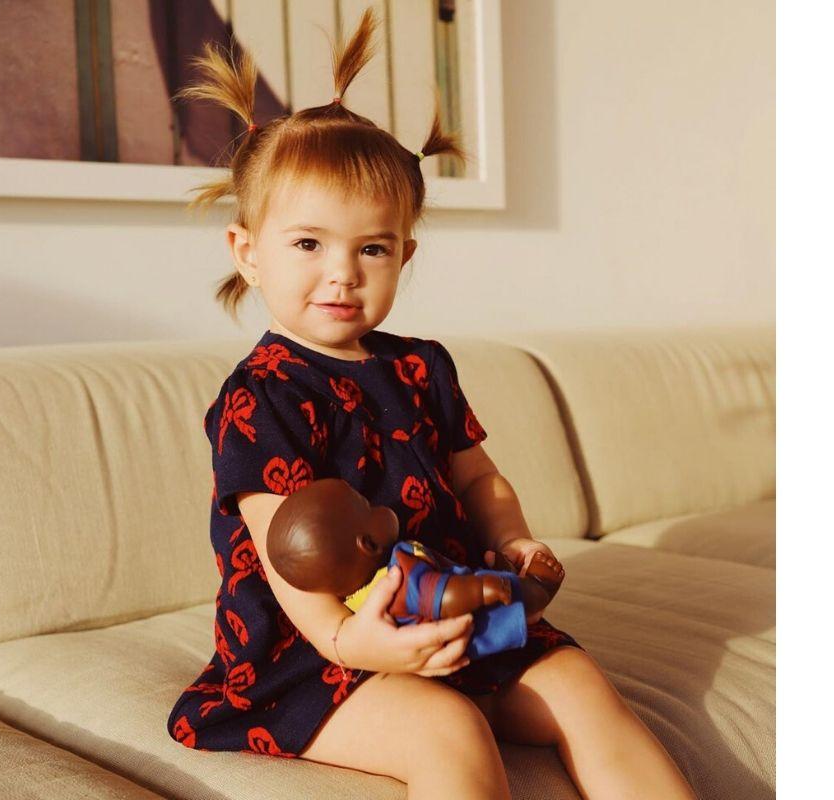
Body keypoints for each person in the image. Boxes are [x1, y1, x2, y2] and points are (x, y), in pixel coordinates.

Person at [167, 9, 697, 799]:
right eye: (308, 244)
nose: (343, 273)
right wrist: (354, 641)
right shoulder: (262, 396)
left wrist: (513, 540)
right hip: (316, 649)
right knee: (448, 730)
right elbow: (289, 554)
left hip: (452, 604)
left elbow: (478, 478)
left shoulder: (422, 366)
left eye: (371, 248)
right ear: (248, 253)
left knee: (583, 688)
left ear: (403, 254)